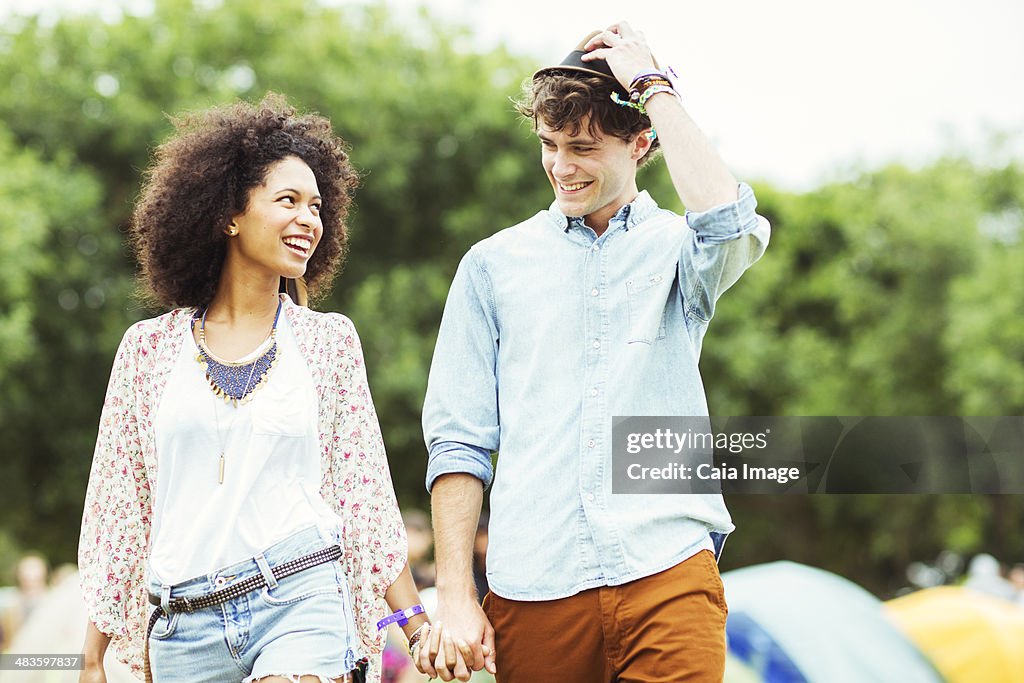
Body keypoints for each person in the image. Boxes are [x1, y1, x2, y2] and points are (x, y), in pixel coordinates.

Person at [422, 23, 770, 682]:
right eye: (550, 145)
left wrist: (654, 86)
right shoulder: (492, 266)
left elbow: (728, 221)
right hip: (534, 586)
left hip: (667, 566)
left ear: (641, 144)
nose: (561, 166)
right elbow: (459, 441)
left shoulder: (679, 250)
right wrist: (457, 596)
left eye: (582, 147)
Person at [78, 94, 452, 683]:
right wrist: (93, 655)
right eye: (288, 201)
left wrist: (415, 625)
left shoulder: (329, 343)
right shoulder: (147, 352)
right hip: (184, 622)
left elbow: (364, 496)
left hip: (299, 592)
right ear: (229, 213)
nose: (309, 220)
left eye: (317, 207)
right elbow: (119, 509)